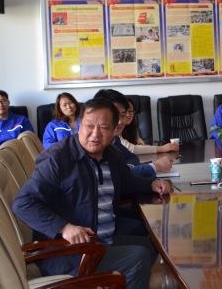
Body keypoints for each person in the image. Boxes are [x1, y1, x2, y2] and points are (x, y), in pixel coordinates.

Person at [12, 98, 172, 288]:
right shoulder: (58, 159)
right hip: (71, 251)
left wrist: (152, 184)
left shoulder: (112, 154)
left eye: (104, 127)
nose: (95, 134)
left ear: (114, 130)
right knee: (138, 256)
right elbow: (23, 203)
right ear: (79, 125)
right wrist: (64, 228)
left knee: (151, 244)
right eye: (89, 126)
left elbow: (126, 182)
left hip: (100, 237)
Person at [94, 89, 174, 177]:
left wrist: (128, 169)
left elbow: (132, 158)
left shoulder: (114, 139)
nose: (120, 121)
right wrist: (154, 167)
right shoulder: (95, 144)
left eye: (123, 115)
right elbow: (115, 175)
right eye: (115, 115)